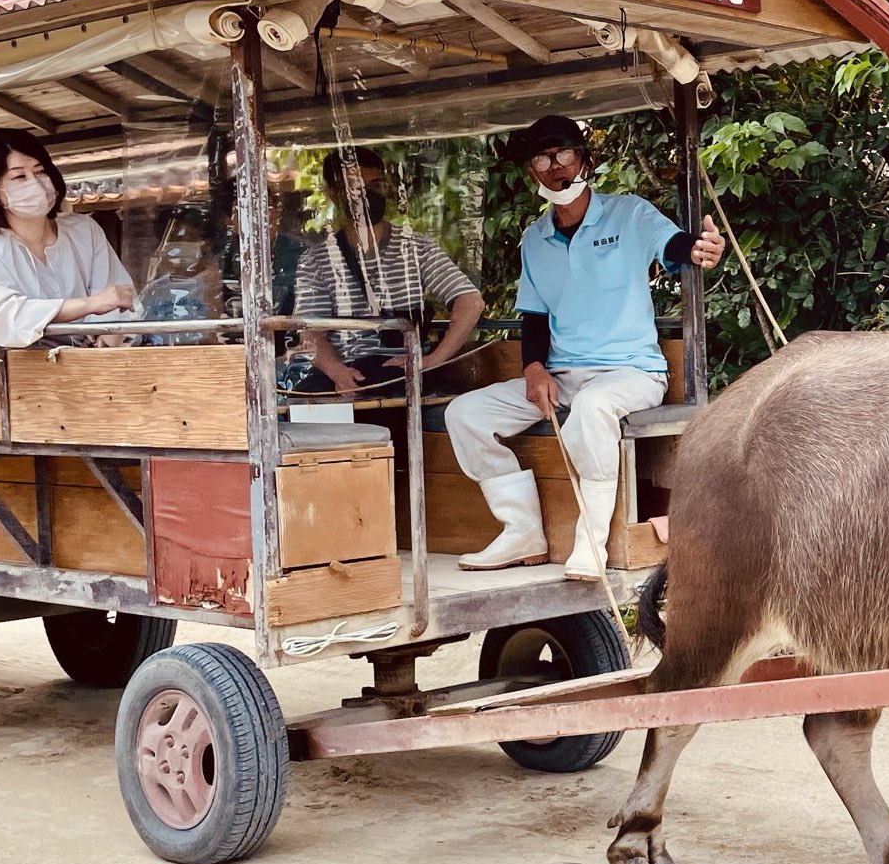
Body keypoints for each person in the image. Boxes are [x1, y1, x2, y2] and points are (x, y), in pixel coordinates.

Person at [445, 115, 723, 580]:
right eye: (542, 158)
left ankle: (592, 543)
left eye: (564, 155)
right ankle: (522, 530)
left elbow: (674, 246)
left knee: (593, 407)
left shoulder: (628, 213)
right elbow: (534, 317)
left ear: (585, 159)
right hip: (563, 376)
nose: (555, 167)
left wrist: (699, 248)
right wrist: (534, 368)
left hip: (632, 374)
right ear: (532, 172)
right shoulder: (534, 238)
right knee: (465, 415)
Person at [291, 150, 483, 394]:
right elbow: (311, 333)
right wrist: (337, 372)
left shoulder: (415, 247)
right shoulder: (317, 260)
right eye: (356, 187)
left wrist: (433, 360)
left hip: (400, 373)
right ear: (332, 194)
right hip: (343, 374)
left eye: (376, 185)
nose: (368, 194)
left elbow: (471, 301)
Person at [0, 129, 135, 348]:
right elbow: (3, 318)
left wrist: (110, 331)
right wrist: (88, 305)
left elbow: (116, 295)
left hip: (91, 364)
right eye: (19, 176)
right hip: (21, 372)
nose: (36, 183)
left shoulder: (83, 229)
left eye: (40, 172)